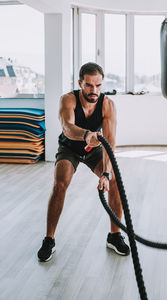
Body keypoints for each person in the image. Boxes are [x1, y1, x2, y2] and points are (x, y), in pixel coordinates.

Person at [37, 62, 130, 262]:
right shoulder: (68, 100)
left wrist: (105, 174)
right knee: (60, 182)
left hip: (95, 150)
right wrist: (86, 134)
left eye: (98, 86)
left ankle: (114, 235)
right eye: (89, 85)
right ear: (80, 83)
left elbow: (110, 142)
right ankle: (49, 239)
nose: (93, 90)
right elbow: (67, 128)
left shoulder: (107, 105)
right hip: (70, 147)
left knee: (114, 181)